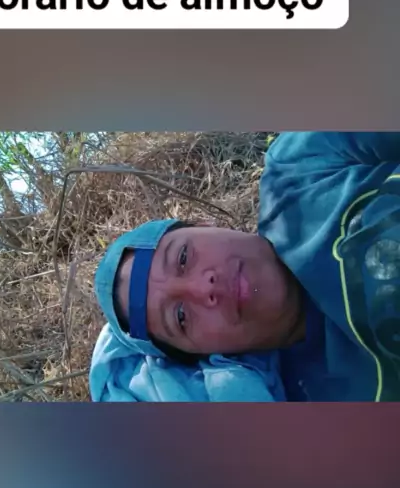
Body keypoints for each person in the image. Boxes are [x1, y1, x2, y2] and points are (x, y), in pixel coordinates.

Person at [90, 131, 400, 402]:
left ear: (204, 224)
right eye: (181, 316)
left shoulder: (299, 170)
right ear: (203, 354)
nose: (203, 288)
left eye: (183, 258)